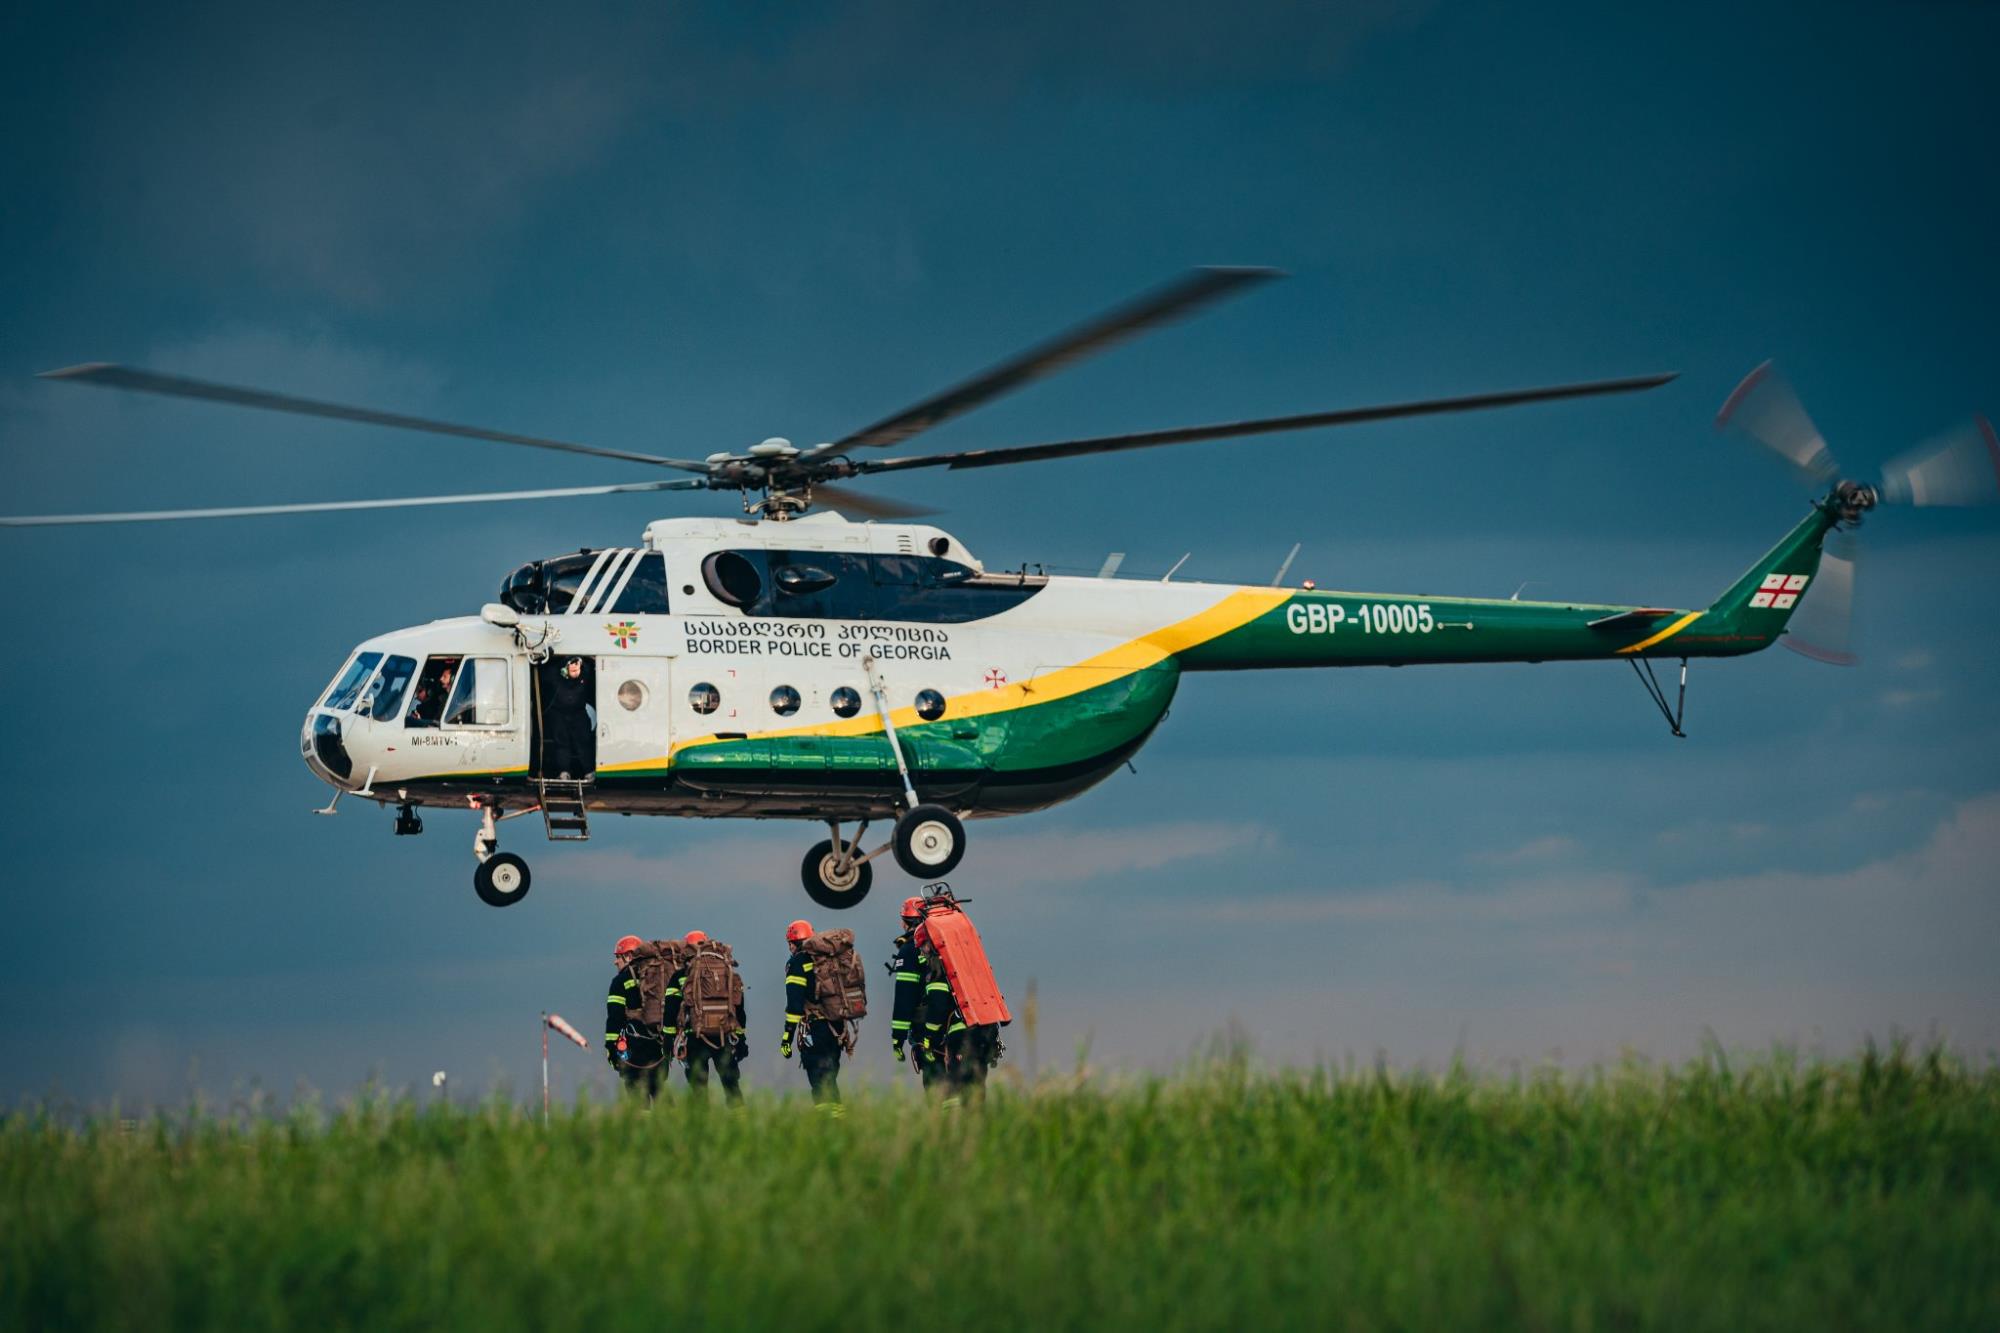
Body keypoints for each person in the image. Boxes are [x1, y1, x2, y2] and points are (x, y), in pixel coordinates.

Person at [780, 918, 846, 1105]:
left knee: (818, 1080)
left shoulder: (797, 963)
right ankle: (837, 1119)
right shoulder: (827, 957)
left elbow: (794, 1005)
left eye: (789, 944)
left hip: (817, 1028)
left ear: (794, 943)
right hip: (838, 1026)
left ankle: (827, 1124)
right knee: (830, 1078)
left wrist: (787, 1036)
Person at [675, 929, 746, 1105]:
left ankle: (702, 1126)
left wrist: (670, 1038)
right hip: (723, 1036)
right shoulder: (726, 970)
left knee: (699, 1089)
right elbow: (739, 1007)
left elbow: (671, 1008)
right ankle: (742, 1123)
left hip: (695, 1037)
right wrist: (742, 1038)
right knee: (731, 1086)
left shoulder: (682, 975)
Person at [889, 897, 945, 1091]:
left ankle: (940, 1119)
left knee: (934, 1080)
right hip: (956, 1019)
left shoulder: (909, 949)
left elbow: (905, 997)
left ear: (906, 922)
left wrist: (898, 1037)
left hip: (926, 1026)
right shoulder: (944, 941)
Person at [604, 933, 668, 1103]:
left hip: (633, 1051)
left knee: (638, 1100)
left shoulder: (620, 981)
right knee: (660, 1094)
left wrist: (611, 1048)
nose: (615, 961)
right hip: (658, 1047)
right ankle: (672, 1127)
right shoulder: (657, 977)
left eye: (618, 956)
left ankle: (643, 1128)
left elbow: (614, 1018)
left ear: (629, 956)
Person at [542, 656, 593, 779]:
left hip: (578, 713)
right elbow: (544, 673)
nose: (576, 674)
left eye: (577, 670)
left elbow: (590, 668)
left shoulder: (585, 673)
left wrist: (580, 661)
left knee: (583, 742)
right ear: (565, 670)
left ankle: (588, 771)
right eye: (572, 671)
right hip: (558, 713)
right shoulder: (554, 675)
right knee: (561, 743)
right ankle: (564, 772)